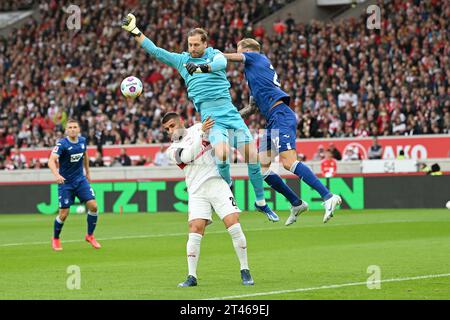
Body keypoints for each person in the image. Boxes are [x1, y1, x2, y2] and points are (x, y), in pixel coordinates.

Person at [121, 14, 278, 222]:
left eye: (196, 44)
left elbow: (221, 63)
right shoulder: (183, 60)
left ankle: (261, 203)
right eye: (190, 44)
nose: (192, 48)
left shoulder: (214, 54)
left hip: (230, 112)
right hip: (211, 118)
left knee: (253, 158)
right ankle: (228, 189)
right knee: (222, 154)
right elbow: (156, 51)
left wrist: (202, 67)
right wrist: (135, 31)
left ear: (205, 43)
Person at [224, 38, 342, 224]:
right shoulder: (254, 75)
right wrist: (228, 118)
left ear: (247, 51)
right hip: (272, 120)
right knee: (262, 168)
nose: (239, 56)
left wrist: (211, 55)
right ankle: (296, 203)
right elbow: (252, 108)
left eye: (240, 51)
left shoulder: (256, 57)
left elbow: (229, 57)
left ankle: (328, 196)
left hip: (280, 114)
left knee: (289, 162)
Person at [162, 112, 253, 287]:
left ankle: (245, 270)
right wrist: (202, 135)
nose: (170, 131)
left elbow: (222, 124)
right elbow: (187, 156)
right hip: (196, 191)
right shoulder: (171, 150)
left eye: (172, 126)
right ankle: (192, 276)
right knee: (195, 229)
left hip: (217, 183)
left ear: (181, 121)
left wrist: (246, 111)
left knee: (233, 222)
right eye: (167, 129)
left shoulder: (198, 127)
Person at [47, 119, 100, 251]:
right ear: (66, 130)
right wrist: (57, 175)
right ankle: (56, 238)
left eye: (74, 127)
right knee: (64, 214)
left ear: (78, 129)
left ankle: (90, 235)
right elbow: (51, 161)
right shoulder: (62, 144)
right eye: (69, 127)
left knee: (93, 206)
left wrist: (88, 172)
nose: (72, 129)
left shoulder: (82, 141)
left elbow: (85, 155)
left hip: (80, 180)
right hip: (66, 183)